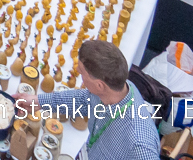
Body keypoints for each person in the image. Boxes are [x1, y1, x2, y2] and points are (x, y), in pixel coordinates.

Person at [15, 40, 162, 160]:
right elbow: (83, 100)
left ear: (100, 85)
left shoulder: (139, 143)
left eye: (82, 74)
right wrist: (38, 102)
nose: (80, 78)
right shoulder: (113, 90)